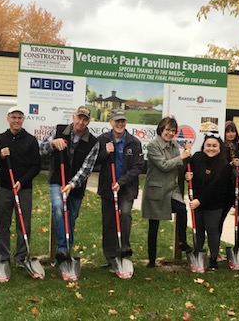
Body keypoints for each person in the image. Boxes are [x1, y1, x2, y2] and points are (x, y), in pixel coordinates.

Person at [41, 106, 99, 262]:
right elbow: (41, 150)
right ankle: (62, 249)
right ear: (73, 117)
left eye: (85, 119)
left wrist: (72, 185)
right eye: (79, 118)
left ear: (88, 121)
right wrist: (53, 143)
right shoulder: (59, 130)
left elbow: (86, 169)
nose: (81, 122)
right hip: (57, 181)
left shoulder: (93, 142)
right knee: (59, 208)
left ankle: (65, 256)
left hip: (76, 187)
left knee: (70, 219)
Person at [0, 106, 41, 267]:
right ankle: (3, 255)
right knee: (3, 223)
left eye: (19, 118)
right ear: (8, 119)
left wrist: (23, 181)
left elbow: (36, 166)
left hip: (24, 188)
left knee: (23, 223)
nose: (16, 121)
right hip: (5, 187)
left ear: (23, 120)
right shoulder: (0, 139)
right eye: (13, 117)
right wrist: (0, 156)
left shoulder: (30, 140)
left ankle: (21, 256)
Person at [96, 109, 144, 267]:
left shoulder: (134, 142)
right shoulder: (103, 140)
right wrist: (105, 152)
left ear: (125, 123)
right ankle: (110, 257)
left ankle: (124, 248)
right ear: (111, 122)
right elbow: (94, 160)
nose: (120, 124)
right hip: (108, 188)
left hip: (126, 188)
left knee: (125, 214)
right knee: (108, 222)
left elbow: (138, 167)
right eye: (117, 121)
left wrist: (121, 182)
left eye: (122, 121)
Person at [141, 117, 192, 268]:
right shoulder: (152, 146)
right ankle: (151, 260)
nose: (170, 133)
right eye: (167, 130)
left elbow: (179, 164)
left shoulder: (174, 145)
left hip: (171, 189)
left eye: (173, 131)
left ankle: (182, 241)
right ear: (161, 129)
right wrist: (181, 157)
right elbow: (163, 165)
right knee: (153, 225)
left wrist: (186, 167)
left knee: (182, 209)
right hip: (155, 190)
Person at [185, 133, 231, 269]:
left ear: (220, 147)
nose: (211, 148)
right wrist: (187, 175)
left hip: (214, 203)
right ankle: (198, 254)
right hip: (197, 201)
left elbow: (215, 186)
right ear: (203, 146)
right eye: (208, 145)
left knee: (212, 230)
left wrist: (200, 200)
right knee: (198, 229)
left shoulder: (224, 165)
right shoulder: (197, 158)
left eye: (214, 146)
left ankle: (213, 259)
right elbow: (187, 170)